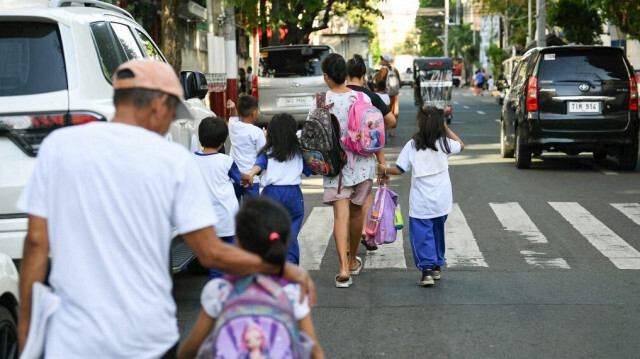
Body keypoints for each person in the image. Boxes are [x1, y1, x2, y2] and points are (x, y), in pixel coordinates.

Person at [16, 59, 314, 358]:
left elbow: (37, 242)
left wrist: (27, 328)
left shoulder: (59, 146)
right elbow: (212, 252)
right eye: (173, 111)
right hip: (146, 338)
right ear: (158, 104)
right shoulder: (172, 160)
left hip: (71, 341)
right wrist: (281, 269)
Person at [177, 198, 325, 359]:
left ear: (237, 243)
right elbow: (315, 352)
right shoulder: (293, 292)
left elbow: (190, 349)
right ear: (286, 242)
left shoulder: (219, 290)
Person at [310, 53, 378, 288]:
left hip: (335, 167)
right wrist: (381, 162)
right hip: (362, 164)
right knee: (357, 213)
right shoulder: (361, 98)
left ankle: (342, 269)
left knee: (341, 215)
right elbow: (373, 131)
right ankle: (352, 260)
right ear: (346, 76)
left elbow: (313, 134)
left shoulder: (320, 101)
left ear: (327, 77)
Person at [378, 106, 464, 287]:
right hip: (442, 200)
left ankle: (427, 271)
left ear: (420, 123)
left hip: (421, 202)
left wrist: (384, 169)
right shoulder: (444, 143)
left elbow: (400, 169)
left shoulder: (413, 145)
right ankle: (437, 265)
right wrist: (446, 128)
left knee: (421, 235)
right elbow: (461, 145)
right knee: (437, 231)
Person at [241, 113, 312, 266]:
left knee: (270, 231)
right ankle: (290, 265)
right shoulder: (299, 151)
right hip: (293, 194)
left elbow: (259, 166)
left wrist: (250, 175)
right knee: (291, 234)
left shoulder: (268, 150)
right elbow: (310, 170)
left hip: (271, 194)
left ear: (271, 131)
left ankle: (271, 263)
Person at [345, 54, 396, 252]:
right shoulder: (370, 96)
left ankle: (348, 246)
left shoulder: (339, 94)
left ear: (346, 74)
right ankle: (365, 232)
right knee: (364, 196)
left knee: (345, 202)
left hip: (342, 157)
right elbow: (391, 121)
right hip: (365, 156)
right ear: (364, 75)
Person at [193, 116, 241, 279]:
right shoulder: (226, 161)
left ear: (200, 138)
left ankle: (217, 293)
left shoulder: (191, 159)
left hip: (206, 221)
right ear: (223, 141)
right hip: (228, 218)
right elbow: (239, 179)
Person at [228, 95, 266, 203]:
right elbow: (262, 154)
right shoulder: (257, 132)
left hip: (234, 177)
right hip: (251, 178)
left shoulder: (233, 126)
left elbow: (233, 118)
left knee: (234, 208)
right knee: (252, 212)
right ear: (254, 112)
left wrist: (233, 108)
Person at [377, 53, 400, 136]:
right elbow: (399, 81)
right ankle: (392, 131)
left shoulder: (383, 70)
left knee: (385, 112)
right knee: (394, 111)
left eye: (381, 59)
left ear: (384, 60)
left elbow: (380, 82)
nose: (381, 61)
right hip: (394, 94)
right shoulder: (395, 69)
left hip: (386, 94)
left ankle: (384, 131)